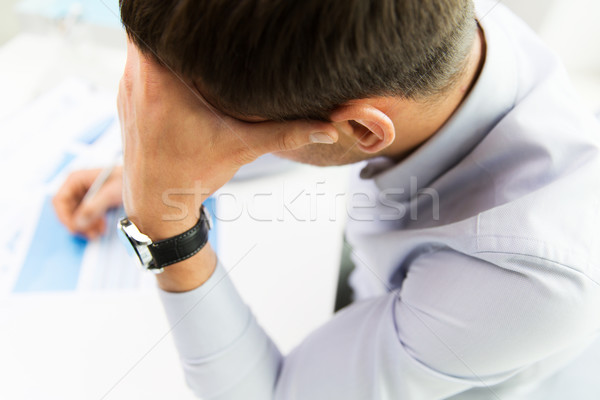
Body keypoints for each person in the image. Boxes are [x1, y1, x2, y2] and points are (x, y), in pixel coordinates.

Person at [53, 0, 600, 398]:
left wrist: (164, 226)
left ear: (364, 130)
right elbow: (302, 113)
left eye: (216, 117)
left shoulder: (532, 277)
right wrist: (155, 164)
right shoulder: (433, 39)